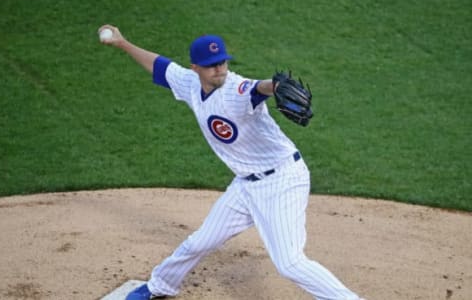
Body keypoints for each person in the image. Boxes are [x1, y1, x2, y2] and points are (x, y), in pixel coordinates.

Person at [98, 24, 365, 300]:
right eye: (211, 65)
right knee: (200, 242)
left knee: (290, 264)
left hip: (282, 180)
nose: (220, 69)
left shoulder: (234, 90)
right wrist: (123, 43)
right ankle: (160, 286)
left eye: (222, 62)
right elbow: (160, 66)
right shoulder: (189, 83)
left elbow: (256, 89)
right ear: (195, 68)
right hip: (245, 185)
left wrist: (274, 86)